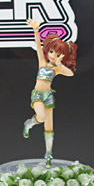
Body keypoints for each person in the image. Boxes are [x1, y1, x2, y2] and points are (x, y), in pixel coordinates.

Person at [21, 18, 77, 166]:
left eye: (58, 54)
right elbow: (38, 47)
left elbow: (70, 74)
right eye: (52, 52)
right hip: (38, 94)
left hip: (49, 96)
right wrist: (36, 29)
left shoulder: (57, 69)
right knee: (41, 116)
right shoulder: (42, 63)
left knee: (49, 127)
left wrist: (60, 64)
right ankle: (29, 123)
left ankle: (48, 155)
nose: (53, 56)